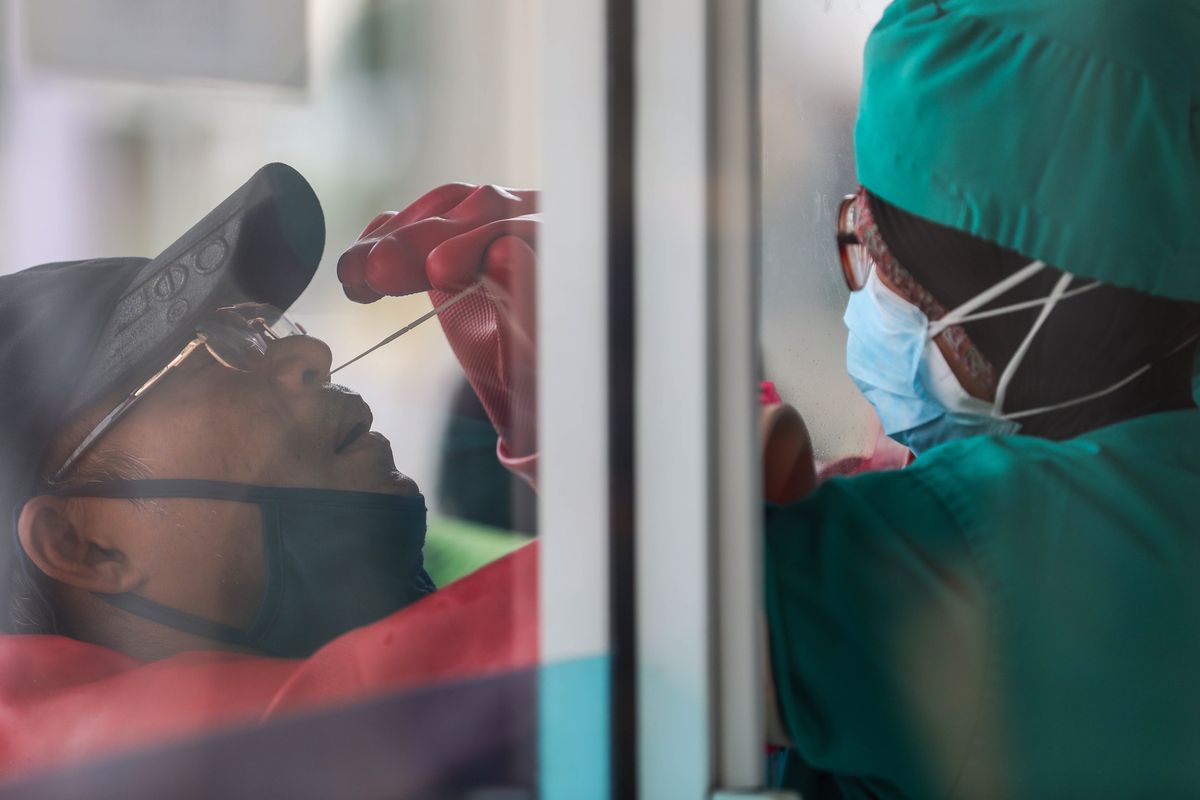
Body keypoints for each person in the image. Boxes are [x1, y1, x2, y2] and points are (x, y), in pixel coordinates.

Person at [343, 1, 1200, 796]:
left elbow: (681, 627)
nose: (864, 297)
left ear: (1039, 312)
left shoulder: (1037, 561)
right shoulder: (1129, 454)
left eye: (882, 262)